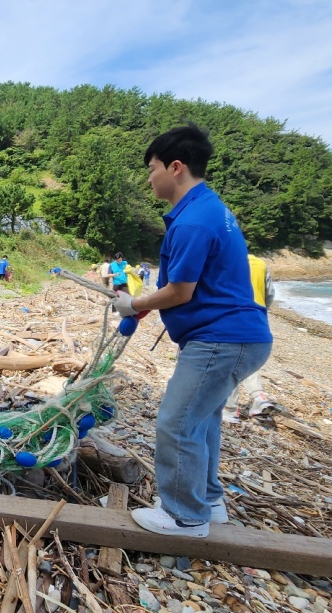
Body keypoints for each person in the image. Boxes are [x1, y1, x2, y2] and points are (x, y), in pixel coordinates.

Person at [112, 125, 272, 538]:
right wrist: (150, 304)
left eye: (152, 168)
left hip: (221, 339)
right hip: (240, 336)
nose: (149, 178)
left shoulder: (194, 222)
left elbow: (181, 291)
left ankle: (185, 516)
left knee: (177, 422)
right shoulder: (210, 208)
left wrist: (136, 303)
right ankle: (210, 501)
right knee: (202, 422)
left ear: (176, 167)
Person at [223, 254, 277, 421]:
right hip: (256, 320)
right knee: (245, 362)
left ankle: (230, 410)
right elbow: (269, 294)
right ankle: (259, 397)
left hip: (230, 316)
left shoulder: (225, 259)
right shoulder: (260, 263)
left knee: (231, 363)